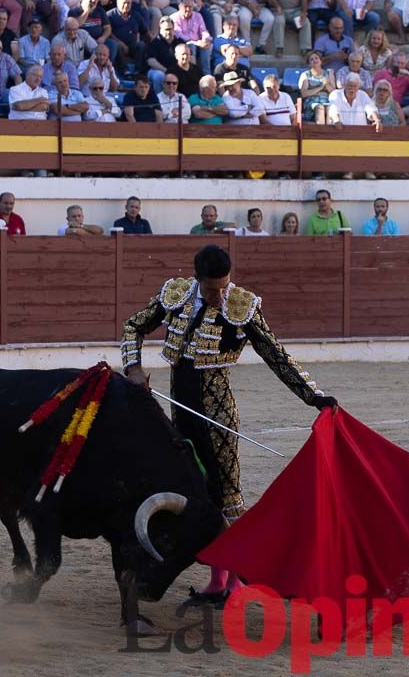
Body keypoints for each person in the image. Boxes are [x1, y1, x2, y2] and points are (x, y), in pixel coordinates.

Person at [121, 244, 335, 604]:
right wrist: (133, 367)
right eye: (211, 288)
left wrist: (313, 396)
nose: (220, 295)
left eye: (224, 286)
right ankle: (218, 580)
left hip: (218, 416)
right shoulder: (175, 295)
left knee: (227, 497)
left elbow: (275, 354)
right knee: (197, 495)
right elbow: (134, 325)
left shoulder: (242, 307)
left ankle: (235, 581)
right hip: (181, 413)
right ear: (197, 279)